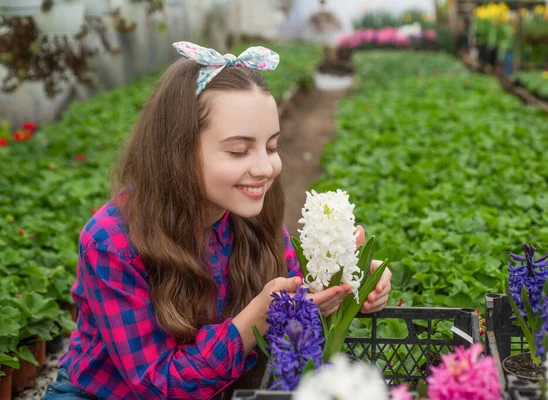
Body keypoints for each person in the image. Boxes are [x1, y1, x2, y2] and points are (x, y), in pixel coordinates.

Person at [43, 42, 392, 400]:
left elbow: (296, 292)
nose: (264, 167)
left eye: (271, 147)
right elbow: (157, 384)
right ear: (177, 151)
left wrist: (348, 281)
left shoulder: (251, 215)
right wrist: (253, 320)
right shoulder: (112, 242)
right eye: (239, 151)